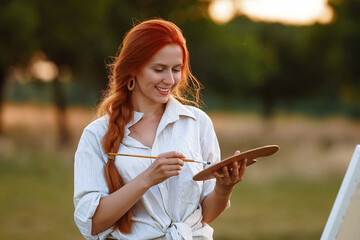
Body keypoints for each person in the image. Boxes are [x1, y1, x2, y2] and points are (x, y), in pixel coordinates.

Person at [73, 18, 247, 240]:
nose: (169, 80)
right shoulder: (96, 135)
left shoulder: (197, 123)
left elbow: (205, 214)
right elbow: (93, 224)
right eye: (159, 69)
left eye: (176, 69)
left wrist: (224, 188)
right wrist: (148, 178)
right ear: (133, 68)